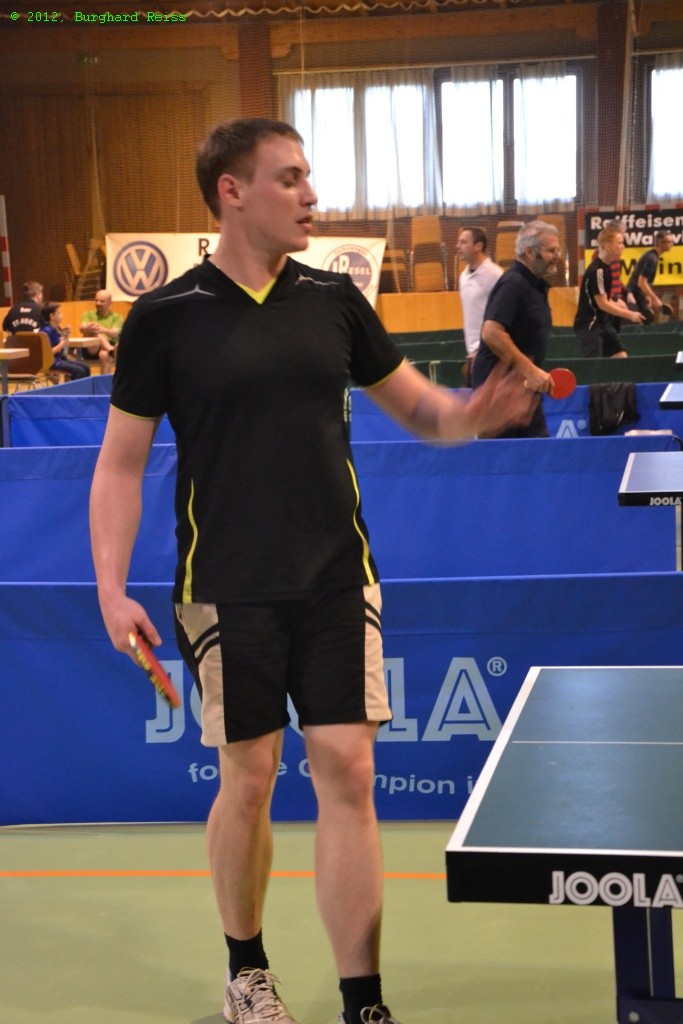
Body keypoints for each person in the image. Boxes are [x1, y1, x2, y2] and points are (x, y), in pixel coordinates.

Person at [89, 118, 535, 1024]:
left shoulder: (335, 300)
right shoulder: (164, 316)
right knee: (249, 776)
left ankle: (362, 997)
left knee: (347, 769)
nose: (311, 196)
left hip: (337, 574)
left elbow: (422, 411)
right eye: (289, 178)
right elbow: (120, 466)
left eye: (307, 177)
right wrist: (109, 587)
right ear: (232, 191)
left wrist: (473, 414)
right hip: (226, 584)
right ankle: (245, 971)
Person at [471, 220, 561, 438]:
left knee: (539, 453)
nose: (557, 255)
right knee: (509, 458)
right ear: (529, 252)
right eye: (551, 250)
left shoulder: (535, 285)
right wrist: (530, 370)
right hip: (499, 396)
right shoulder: (513, 283)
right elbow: (491, 331)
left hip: (523, 393)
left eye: (558, 250)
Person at [574, 224, 645, 357]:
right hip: (590, 326)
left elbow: (605, 299)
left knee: (621, 357)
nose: (623, 246)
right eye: (620, 243)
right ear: (608, 246)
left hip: (603, 323)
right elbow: (602, 304)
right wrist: (630, 314)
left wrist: (617, 304)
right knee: (596, 367)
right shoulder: (597, 271)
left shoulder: (607, 268)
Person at [455, 227, 503, 385]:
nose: (458, 246)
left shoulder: (495, 274)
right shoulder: (463, 276)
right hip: (473, 354)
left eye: (463, 242)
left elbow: (504, 317)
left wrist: (485, 351)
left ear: (478, 246)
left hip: (492, 355)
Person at [624, 228, 675, 323]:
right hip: (633, 296)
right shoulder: (652, 259)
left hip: (637, 294)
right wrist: (655, 299)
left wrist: (647, 295)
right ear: (660, 243)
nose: (672, 244)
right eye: (670, 242)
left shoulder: (652, 255)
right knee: (637, 323)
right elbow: (641, 282)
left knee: (643, 322)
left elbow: (644, 282)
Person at [41, 302, 91, 380]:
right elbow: (47, 353)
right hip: (52, 362)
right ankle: (75, 388)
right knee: (79, 370)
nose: (62, 315)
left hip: (60, 359)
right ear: (51, 316)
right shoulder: (46, 331)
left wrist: (65, 335)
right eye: (59, 313)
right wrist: (61, 344)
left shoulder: (56, 329)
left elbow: (64, 348)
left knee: (86, 367)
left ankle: (85, 387)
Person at [79, 289, 124, 372]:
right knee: (94, 332)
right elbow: (82, 327)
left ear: (110, 303)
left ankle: (104, 380)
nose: (98, 303)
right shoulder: (88, 314)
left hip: (109, 344)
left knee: (104, 355)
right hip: (91, 348)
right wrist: (90, 326)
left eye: (102, 301)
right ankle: (111, 350)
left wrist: (102, 329)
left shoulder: (117, 317)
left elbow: (115, 333)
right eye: (96, 300)